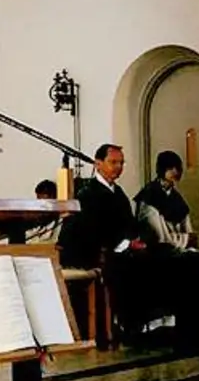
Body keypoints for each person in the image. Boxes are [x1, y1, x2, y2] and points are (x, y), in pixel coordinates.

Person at [57, 144, 158, 339]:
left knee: (155, 258)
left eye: (121, 163)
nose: (118, 167)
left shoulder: (117, 193)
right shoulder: (88, 194)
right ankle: (127, 323)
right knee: (130, 266)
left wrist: (139, 239)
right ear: (98, 164)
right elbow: (93, 231)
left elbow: (130, 224)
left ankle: (149, 320)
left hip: (116, 248)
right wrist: (127, 245)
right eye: (113, 162)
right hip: (90, 252)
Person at [133, 150, 199, 341]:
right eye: (170, 168)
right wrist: (182, 240)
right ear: (162, 169)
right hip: (156, 251)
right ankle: (171, 321)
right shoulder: (148, 197)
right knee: (185, 267)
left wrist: (186, 241)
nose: (175, 172)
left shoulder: (176, 198)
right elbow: (159, 234)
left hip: (176, 247)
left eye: (176, 168)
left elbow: (189, 231)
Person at [28, 178, 60, 243]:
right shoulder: (37, 222)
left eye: (44, 202)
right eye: (39, 202)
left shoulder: (60, 223)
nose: (41, 207)